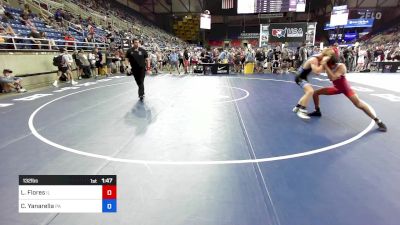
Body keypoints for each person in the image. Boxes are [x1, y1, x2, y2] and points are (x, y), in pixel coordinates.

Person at [308, 54, 387, 132]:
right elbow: (318, 72)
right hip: (336, 88)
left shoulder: (341, 66)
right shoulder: (328, 66)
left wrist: (325, 65)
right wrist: (313, 64)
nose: (329, 67)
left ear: (332, 63)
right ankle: (317, 111)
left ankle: (378, 121)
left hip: (345, 89)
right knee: (315, 93)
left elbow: (332, 78)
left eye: (329, 64)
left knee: (359, 104)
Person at [292, 48, 335, 119]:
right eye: (329, 58)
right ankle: (301, 110)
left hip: (302, 76)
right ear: (326, 56)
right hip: (299, 77)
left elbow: (318, 72)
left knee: (308, 92)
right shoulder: (314, 59)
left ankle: (297, 107)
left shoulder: (318, 57)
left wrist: (323, 64)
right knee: (310, 91)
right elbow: (317, 72)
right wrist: (323, 63)